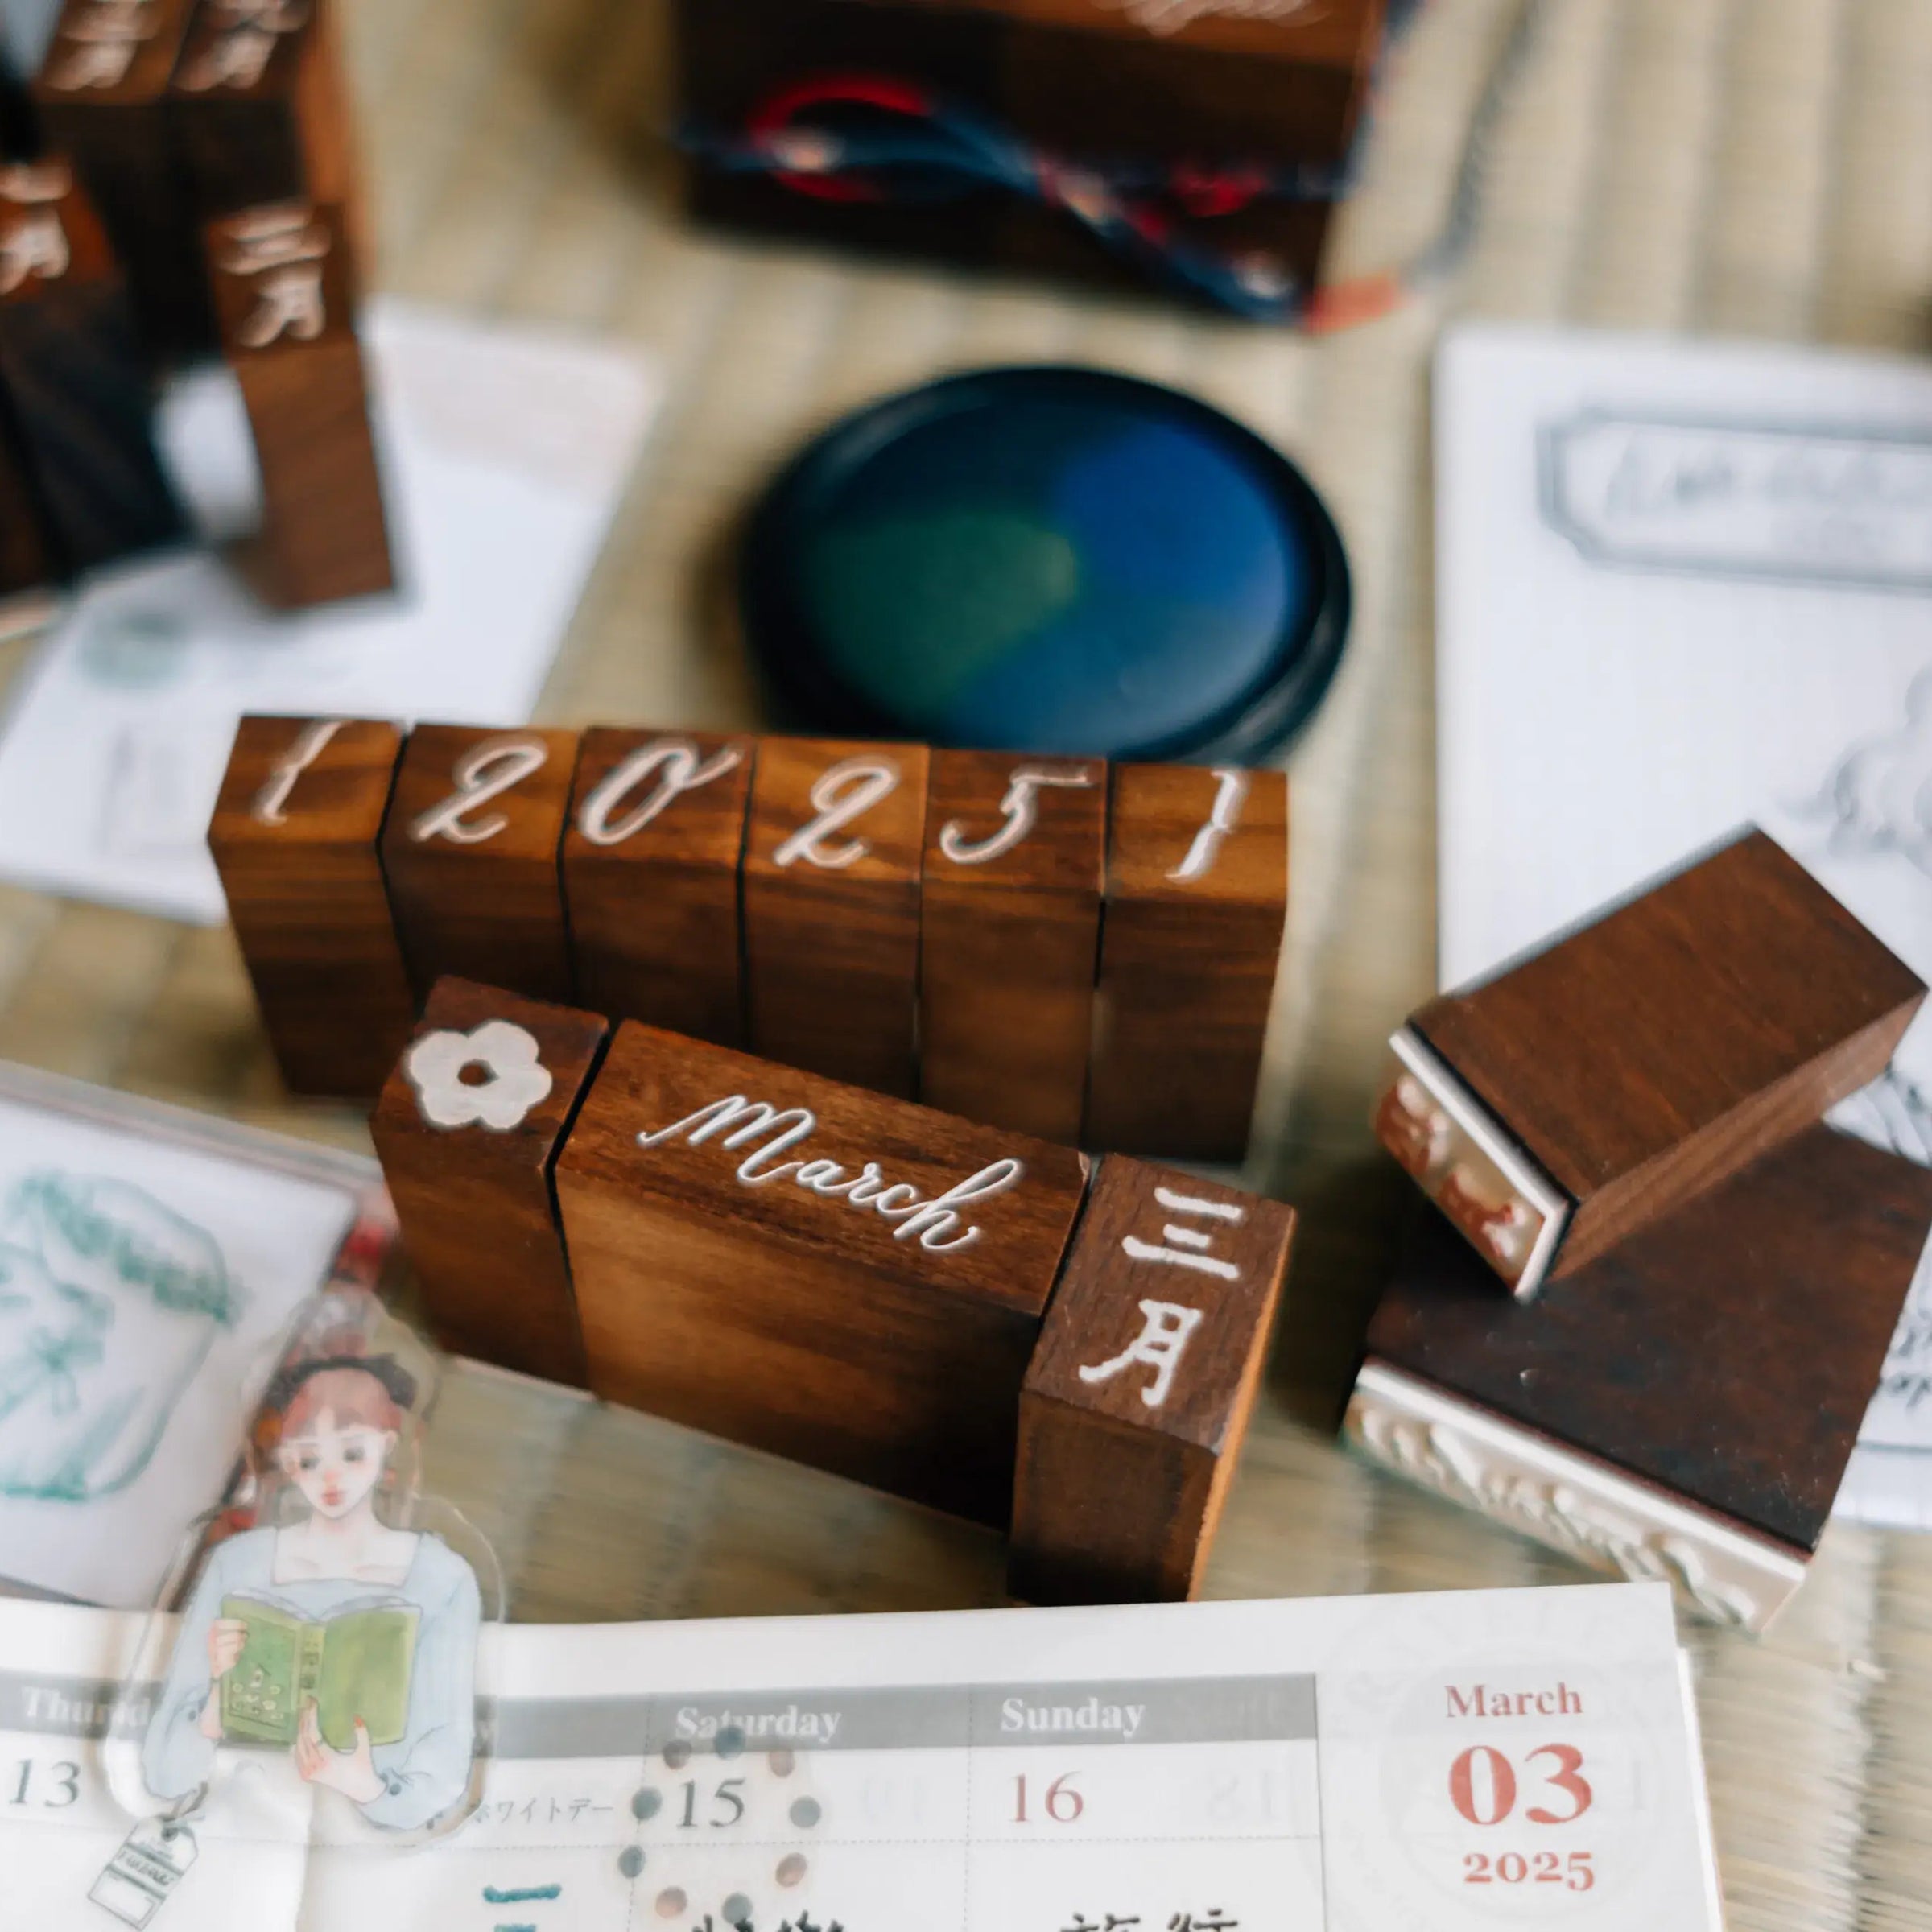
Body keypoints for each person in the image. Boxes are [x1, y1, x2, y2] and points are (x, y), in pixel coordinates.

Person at [141, 1352, 480, 1832]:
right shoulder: (237, 1564)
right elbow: (164, 1773)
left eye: (352, 1453)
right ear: (287, 1461)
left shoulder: (442, 1579)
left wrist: (367, 1785)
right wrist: (218, 1698)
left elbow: (443, 1766)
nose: (331, 1477)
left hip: (362, 1844)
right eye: (309, 1458)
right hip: (232, 1824)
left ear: (387, 1448)